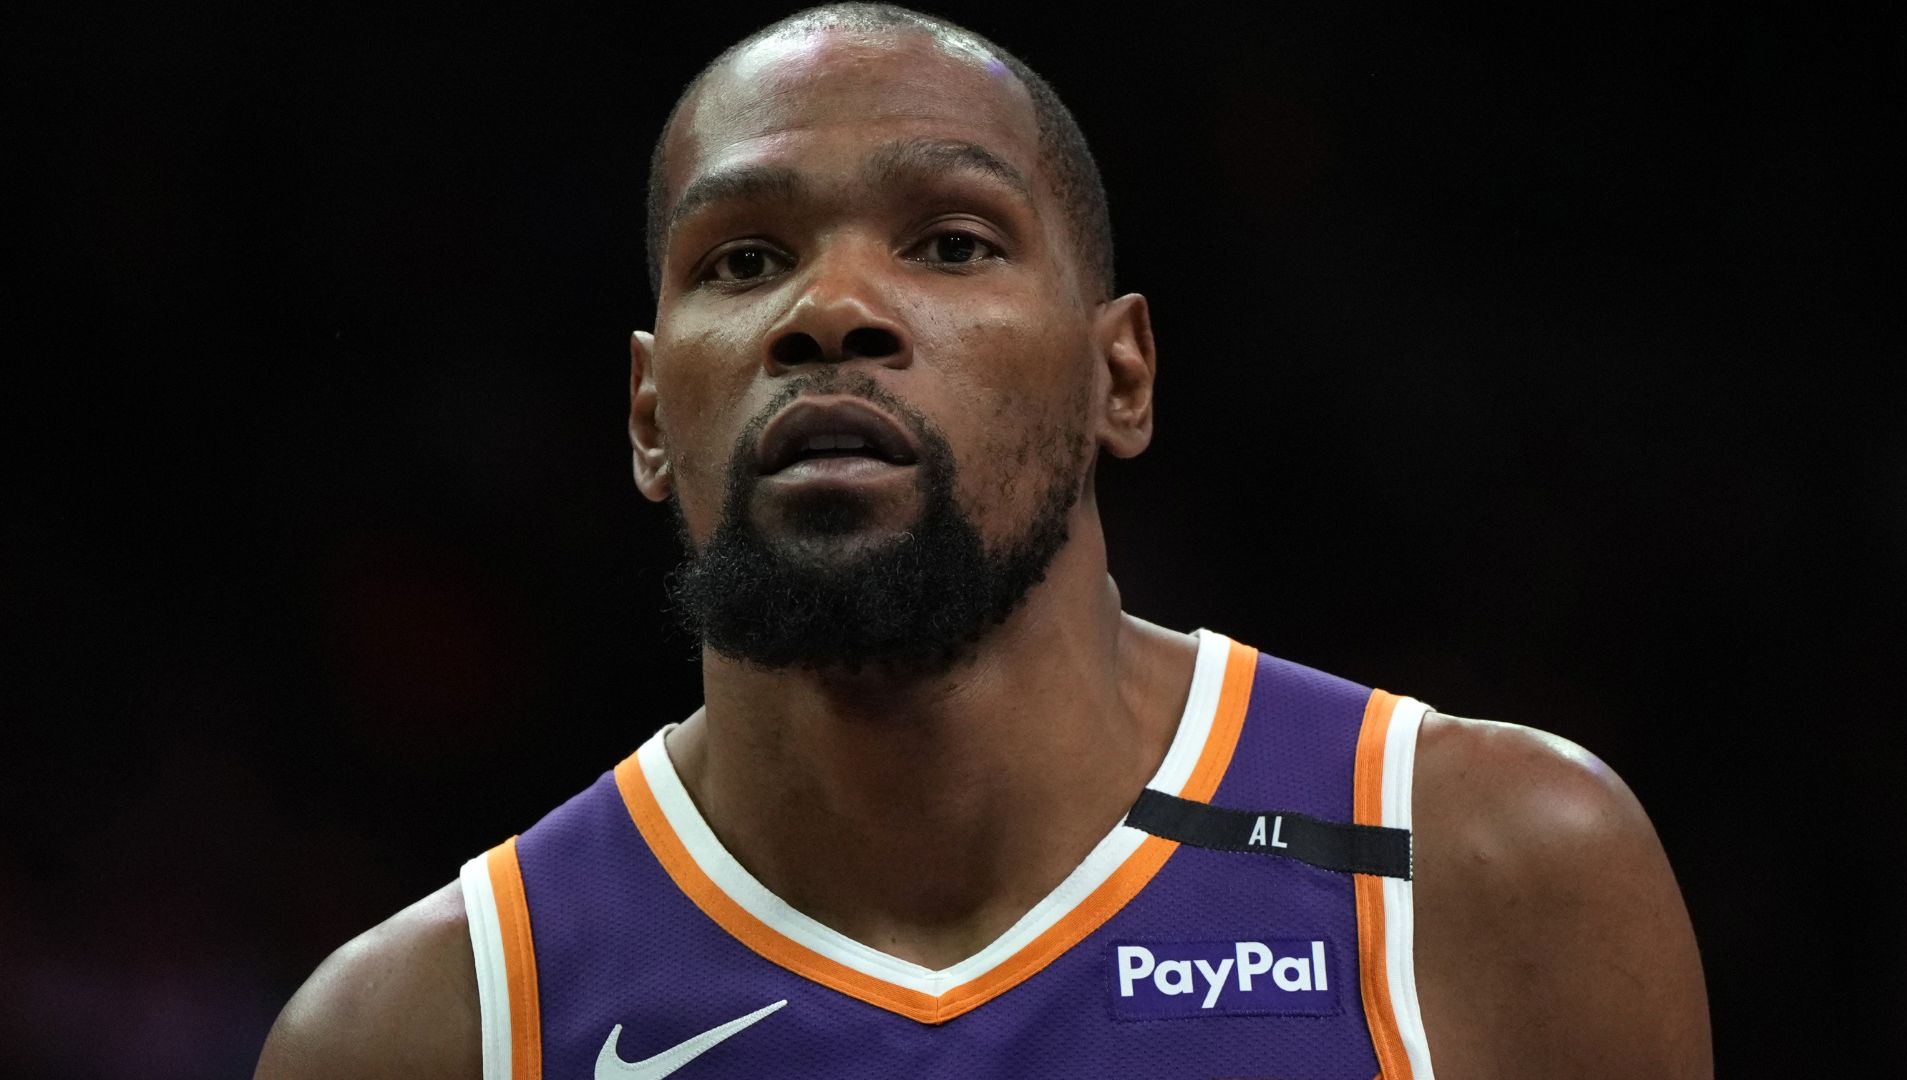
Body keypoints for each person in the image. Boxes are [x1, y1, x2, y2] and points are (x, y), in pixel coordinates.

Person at [255, 5, 1712, 1077]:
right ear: (649, 412)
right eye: (743, 260)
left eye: (951, 241)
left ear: (1118, 378)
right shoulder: (427, 1029)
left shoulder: (1488, 875)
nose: (828, 311)